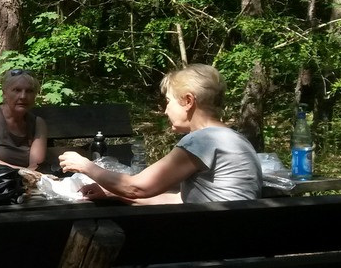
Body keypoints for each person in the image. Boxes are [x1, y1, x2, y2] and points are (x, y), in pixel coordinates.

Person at [58, 64, 262, 204]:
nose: (165, 111)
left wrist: (85, 166)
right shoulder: (236, 139)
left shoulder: (203, 141)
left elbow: (137, 187)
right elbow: (179, 199)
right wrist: (115, 195)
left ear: (188, 101)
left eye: (168, 101)